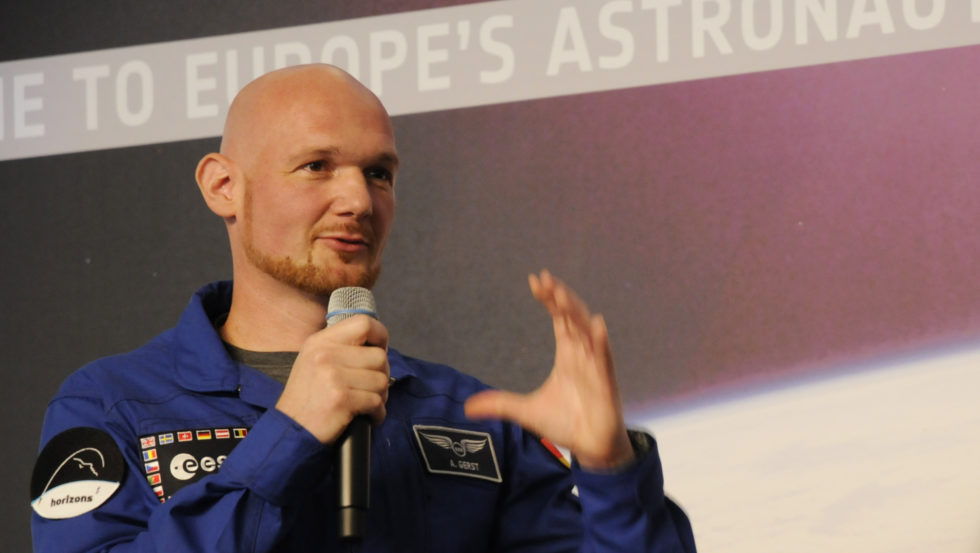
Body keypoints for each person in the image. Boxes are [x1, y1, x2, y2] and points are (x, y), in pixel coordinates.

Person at [30, 64, 696, 552]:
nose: (357, 199)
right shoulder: (108, 404)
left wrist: (611, 470)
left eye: (380, 172)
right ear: (224, 186)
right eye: (317, 166)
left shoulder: (471, 417)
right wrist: (289, 437)